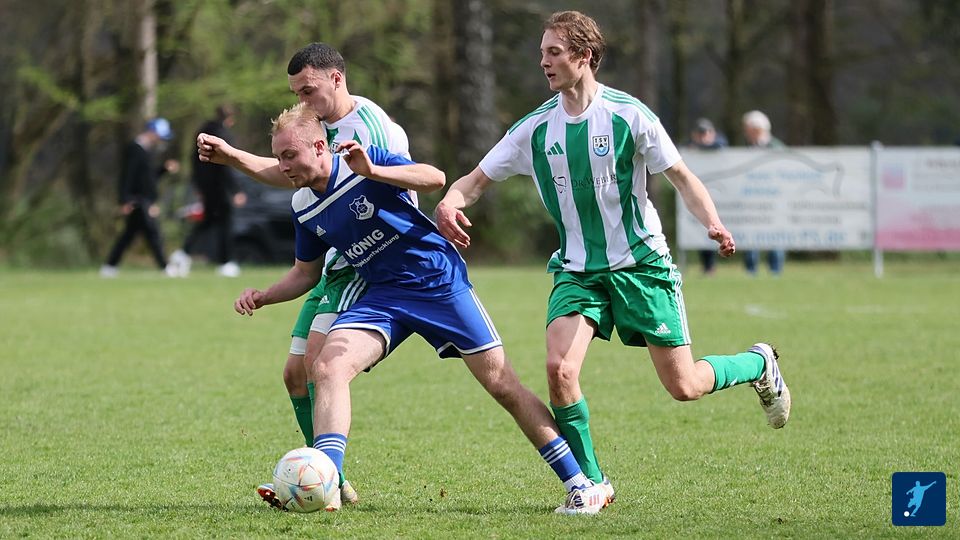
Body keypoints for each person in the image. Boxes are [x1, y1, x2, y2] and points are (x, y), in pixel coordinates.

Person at [435, 10, 792, 502]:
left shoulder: (629, 115)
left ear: (584, 56)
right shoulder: (535, 129)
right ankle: (591, 484)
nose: (544, 62)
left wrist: (713, 221)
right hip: (578, 271)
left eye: (554, 52)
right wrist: (449, 203)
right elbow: (473, 182)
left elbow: (682, 177)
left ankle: (757, 364)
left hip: (641, 266)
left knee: (685, 385)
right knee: (560, 371)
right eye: (541, 53)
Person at [234, 102, 611, 514]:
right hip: (385, 295)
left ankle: (579, 483)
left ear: (320, 146)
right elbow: (305, 273)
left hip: (437, 283)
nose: (283, 166)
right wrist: (265, 295)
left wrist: (373, 171)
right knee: (327, 367)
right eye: (279, 157)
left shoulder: (362, 160)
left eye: (290, 155)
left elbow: (435, 178)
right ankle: (327, 484)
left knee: (503, 385)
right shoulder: (303, 205)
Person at [196, 43, 417, 509]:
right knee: (295, 375)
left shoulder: (371, 128)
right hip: (329, 267)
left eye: (308, 90)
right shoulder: (320, 128)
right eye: (296, 92)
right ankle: (328, 479)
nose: (303, 101)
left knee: (320, 366)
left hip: (361, 266)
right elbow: (290, 170)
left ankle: (323, 483)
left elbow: (404, 189)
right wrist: (233, 156)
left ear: (336, 79)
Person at [169, 105, 246, 278]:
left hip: (206, 187)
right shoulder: (223, 136)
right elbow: (227, 165)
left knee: (208, 221)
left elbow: (195, 161)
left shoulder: (202, 133)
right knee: (225, 223)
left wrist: (199, 186)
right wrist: (236, 190)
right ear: (230, 119)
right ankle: (226, 262)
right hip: (220, 188)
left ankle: (183, 253)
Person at [101, 118, 180, 278]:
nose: (161, 140)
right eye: (160, 136)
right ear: (152, 132)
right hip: (137, 200)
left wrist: (163, 170)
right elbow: (128, 176)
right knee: (153, 233)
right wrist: (125, 200)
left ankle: (109, 267)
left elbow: (148, 179)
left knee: (129, 235)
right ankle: (165, 267)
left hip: (144, 200)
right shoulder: (135, 149)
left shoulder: (146, 151)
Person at [741, 109, 786, 275]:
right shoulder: (748, 148)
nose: (746, 133)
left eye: (748, 129)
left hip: (774, 201)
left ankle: (775, 270)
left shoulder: (776, 146)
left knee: (776, 235)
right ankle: (751, 269)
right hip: (752, 201)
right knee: (750, 235)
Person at [687, 118, 728, 275]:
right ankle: (707, 266)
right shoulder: (688, 147)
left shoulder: (719, 143)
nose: (703, 137)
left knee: (716, 228)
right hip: (698, 195)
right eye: (700, 133)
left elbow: (720, 144)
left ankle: (713, 264)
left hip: (720, 196)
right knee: (701, 231)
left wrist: (699, 147)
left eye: (706, 133)